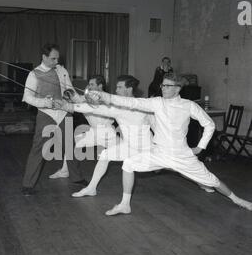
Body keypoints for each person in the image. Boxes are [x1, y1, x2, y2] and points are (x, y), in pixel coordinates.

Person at [86, 72, 252, 215]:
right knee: (128, 164)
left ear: (177, 88)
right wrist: (104, 96)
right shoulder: (156, 102)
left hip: (182, 155)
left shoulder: (189, 105)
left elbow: (209, 124)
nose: (163, 88)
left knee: (213, 181)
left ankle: (237, 200)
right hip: (159, 153)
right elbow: (132, 102)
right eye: (162, 85)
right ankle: (124, 205)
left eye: (167, 86)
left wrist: (201, 147)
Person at [54, 75, 154, 198]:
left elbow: (154, 124)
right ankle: (89, 187)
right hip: (117, 140)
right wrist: (69, 100)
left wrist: (158, 145)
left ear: (129, 89)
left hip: (114, 136)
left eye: (119, 87)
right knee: (105, 155)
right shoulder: (113, 103)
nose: (116, 90)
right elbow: (86, 103)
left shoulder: (141, 105)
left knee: (163, 165)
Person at [21, 43, 87, 196]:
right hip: (46, 114)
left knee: (70, 145)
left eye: (57, 58)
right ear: (44, 57)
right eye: (53, 59)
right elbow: (27, 98)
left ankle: (76, 178)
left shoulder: (61, 70)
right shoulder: (33, 74)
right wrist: (47, 102)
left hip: (64, 112)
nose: (56, 61)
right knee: (39, 148)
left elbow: (69, 90)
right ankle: (28, 185)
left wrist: (83, 100)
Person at [49, 75, 117, 179]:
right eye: (88, 84)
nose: (89, 87)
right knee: (71, 144)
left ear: (100, 86)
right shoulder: (88, 97)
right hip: (94, 131)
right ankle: (64, 171)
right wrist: (69, 93)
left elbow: (90, 105)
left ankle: (148, 162)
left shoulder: (107, 98)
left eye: (92, 84)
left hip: (107, 133)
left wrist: (81, 101)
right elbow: (77, 99)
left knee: (126, 153)